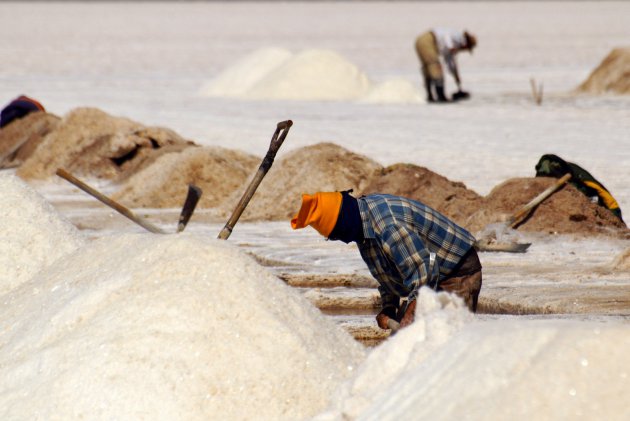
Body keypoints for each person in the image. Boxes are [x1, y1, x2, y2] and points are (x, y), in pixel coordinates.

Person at [291, 191, 482, 331]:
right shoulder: (362, 227)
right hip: (430, 266)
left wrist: (410, 314)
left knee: (448, 341)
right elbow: (387, 272)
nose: (341, 240)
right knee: (409, 339)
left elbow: (425, 269)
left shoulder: (388, 226)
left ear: (344, 223)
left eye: (336, 235)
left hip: (454, 270)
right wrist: (389, 306)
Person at [414, 28, 477, 103]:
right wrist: (450, 47)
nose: (463, 50)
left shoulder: (455, 45)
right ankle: (440, 96)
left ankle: (430, 96)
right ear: (466, 44)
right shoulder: (458, 38)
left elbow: (450, 62)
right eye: (466, 48)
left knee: (429, 70)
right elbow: (447, 37)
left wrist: (456, 77)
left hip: (422, 41)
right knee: (435, 67)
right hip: (427, 41)